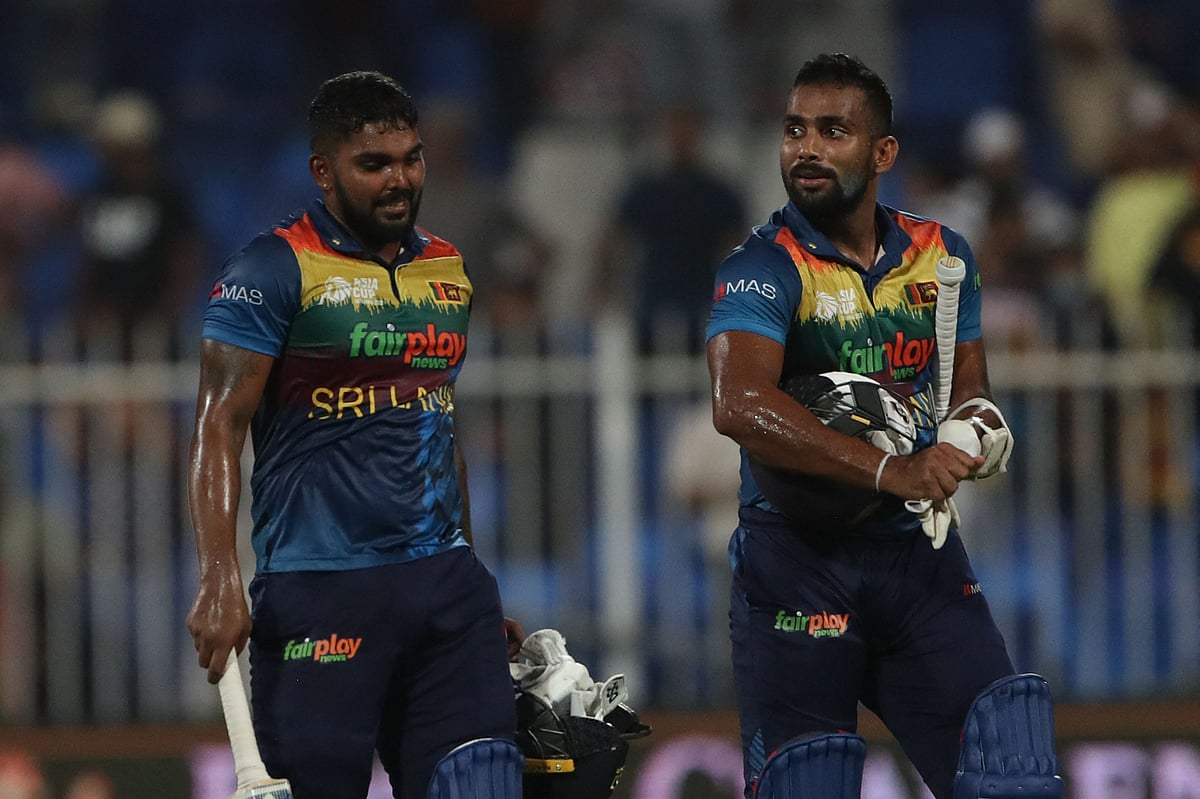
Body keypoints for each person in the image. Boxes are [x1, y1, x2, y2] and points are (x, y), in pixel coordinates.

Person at [704, 54, 1062, 799]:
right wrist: (892, 467)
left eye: (834, 130)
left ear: (883, 152)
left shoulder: (943, 257)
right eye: (795, 129)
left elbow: (970, 391)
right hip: (799, 568)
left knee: (1012, 775)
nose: (807, 148)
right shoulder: (763, 266)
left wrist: (977, 431)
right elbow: (737, 403)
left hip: (918, 561)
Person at [185, 71, 525, 799]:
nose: (399, 180)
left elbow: (436, 421)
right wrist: (220, 575)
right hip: (320, 589)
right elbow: (219, 426)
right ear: (324, 170)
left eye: (411, 158)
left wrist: (467, 568)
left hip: (446, 588)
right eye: (374, 164)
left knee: (483, 784)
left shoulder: (448, 270)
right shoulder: (270, 268)